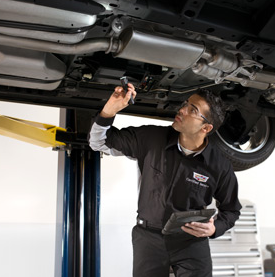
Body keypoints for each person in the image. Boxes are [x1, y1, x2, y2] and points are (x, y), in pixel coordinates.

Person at [88, 83, 241, 277]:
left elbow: (231, 210)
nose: (182, 109)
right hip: (148, 238)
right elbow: (98, 142)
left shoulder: (219, 166)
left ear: (206, 127)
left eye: (192, 110)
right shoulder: (150, 139)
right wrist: (108, 111)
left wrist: (214, 228)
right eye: (186, 103)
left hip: (190, 241)